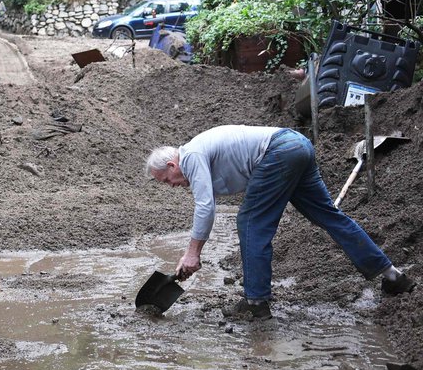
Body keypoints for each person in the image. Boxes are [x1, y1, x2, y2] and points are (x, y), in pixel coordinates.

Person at [147, 125, 415, 320]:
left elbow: (206, 207)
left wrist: (193, 253)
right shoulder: (197, 156)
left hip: (279, 151)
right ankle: (393, 276)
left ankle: (256, 302)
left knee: (250, 222)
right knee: (329, 215)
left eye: (166, 180)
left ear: (172, 164)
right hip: (297, 145)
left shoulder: (191, 156)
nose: (171, 186)